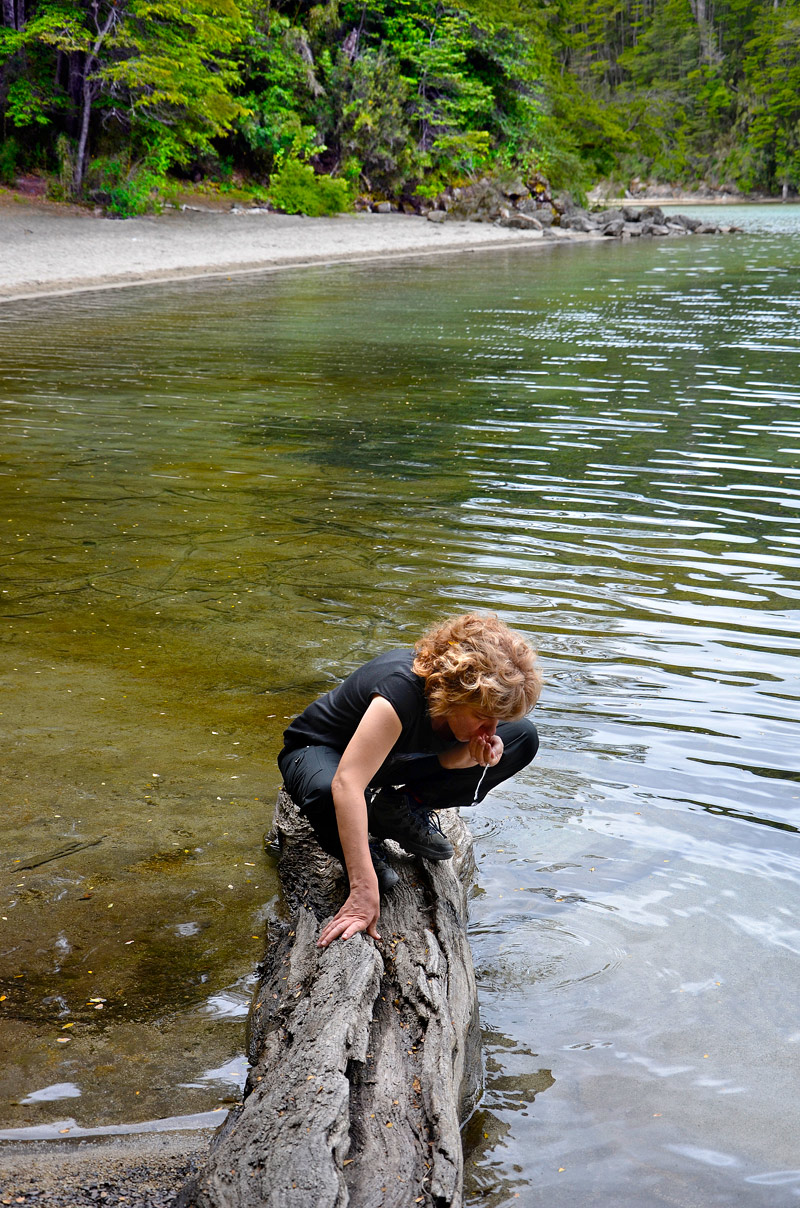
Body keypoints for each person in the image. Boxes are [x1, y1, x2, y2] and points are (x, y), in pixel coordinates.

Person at [278, 612, 542, 949]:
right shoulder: (400, 690)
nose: (490, 730)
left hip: (390, 760)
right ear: (453, 693)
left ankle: (402, 807)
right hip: (323, 752)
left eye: (497, 720)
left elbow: (445, 759)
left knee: (522, 738)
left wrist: (474, 754)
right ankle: (365, 845)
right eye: (482, 718)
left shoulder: (464, 713)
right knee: (333, 800)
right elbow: (347, 782)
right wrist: (362, 887)